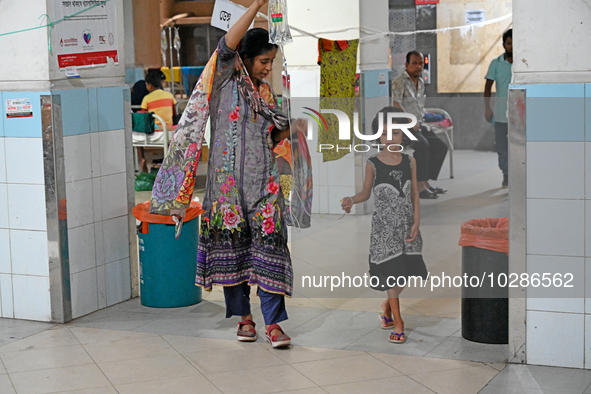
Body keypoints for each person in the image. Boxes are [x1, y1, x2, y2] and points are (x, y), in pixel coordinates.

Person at [150, 0, 298, 348]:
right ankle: (245, 318)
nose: (267, 68)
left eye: (271, 62)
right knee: (233, 255)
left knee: (270, 249)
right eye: (264, 61)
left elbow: (272, 135)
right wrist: (258, 5)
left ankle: (274, 324)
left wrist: (294, 126)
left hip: (264, 185)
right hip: (227, 189)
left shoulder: (264, 92)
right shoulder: (222, 80)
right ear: (245, 59)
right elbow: (227, 43)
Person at [341, 106, 428, 344]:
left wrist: (417, 221)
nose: (390, 139)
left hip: (407, 228)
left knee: (406, 275)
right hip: (384, 231)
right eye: (385, 133)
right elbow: (365, 193)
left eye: (396, 133)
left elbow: (415, 195)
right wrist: (351, 200)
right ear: (377, 136)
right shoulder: (373, 163)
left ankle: (387, 306)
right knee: (392, 276)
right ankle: (399, 322)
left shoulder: (410, 162)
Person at [391, 51, 448, 199]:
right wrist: (410, 120)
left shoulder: (420, 83)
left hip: (418, 124)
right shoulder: (399, 82)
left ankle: (425, 182)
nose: (418, 66)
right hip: (403, 127)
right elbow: (395, 103)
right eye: (414, 63)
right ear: (406, 65)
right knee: (422, 146)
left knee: (441, 147)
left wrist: (426, 118)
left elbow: (418, 106)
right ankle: (418, 186)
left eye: (421, 63)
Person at [484, 29, 512, 188]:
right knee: (502, 147)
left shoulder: (523, 64)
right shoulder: (496, 63)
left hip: (521, 115)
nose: (511, 47)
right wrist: (487, 108)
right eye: (508, 43)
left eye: (514, 43)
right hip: (501, 114)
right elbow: (488, 86)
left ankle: (520, 174)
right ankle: (506, 174)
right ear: (504, 45)